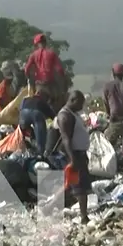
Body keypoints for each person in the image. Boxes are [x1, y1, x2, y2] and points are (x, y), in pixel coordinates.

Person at [48, 91, 91, 223]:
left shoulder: (73, 114)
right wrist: (73, 159)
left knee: (70, 184)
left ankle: (47, 208)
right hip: (73, 154)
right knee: (80, 187)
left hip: (80, 154)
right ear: (73, 100)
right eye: (80, 103)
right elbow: (66, 139)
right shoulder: (65, 116)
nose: (82, 106)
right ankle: (84, 217)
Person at [24, 34, 67, 109]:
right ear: (45, 42)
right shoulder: (52, 54)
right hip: (50, 84)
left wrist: (29, 78)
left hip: (39, 85)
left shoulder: (33, 55)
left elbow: (27, 69)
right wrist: (62, 81)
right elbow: (59, 69)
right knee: (59, 101)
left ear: (36, 44)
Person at [19, 87, 57, 154]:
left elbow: (20, 109)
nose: (47, 100)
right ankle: (40, 155)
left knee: (23, 135)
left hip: (23, 114)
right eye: (47, 98)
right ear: (42, 95)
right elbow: (53, 115)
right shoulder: (42, 101)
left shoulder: (25, 99)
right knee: (41, 141)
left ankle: (26, 146)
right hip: (36, 115)